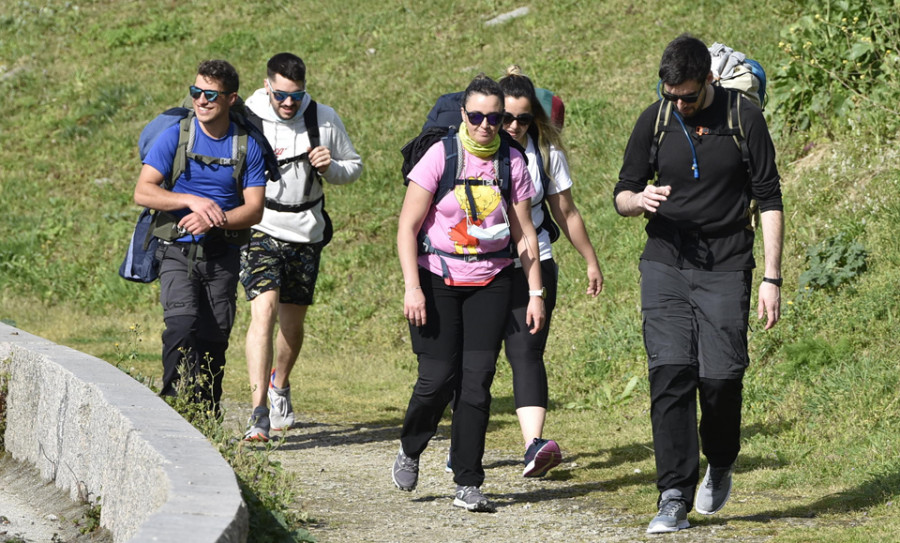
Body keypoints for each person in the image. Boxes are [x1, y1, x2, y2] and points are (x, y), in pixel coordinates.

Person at [613, 34, 783, 534]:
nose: (680, 104)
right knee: (670, 374)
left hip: (728, 263)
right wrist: (638, 200)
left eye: (688, 95)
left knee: (722, 380)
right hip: (665, 261)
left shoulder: (743, 119)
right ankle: (672, 495)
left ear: (709, 79)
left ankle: (723, 458)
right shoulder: (656, 118)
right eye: (673, 96)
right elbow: (622, 192)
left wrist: (771, 277)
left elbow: (769, 199)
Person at [392, 74, 545, 512]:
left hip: (491, 280)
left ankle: (468, 480)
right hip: (437, 277)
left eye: (493, 118)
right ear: (463, 114)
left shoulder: (511, 161)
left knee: (477, 382)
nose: (485, 125)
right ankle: (411, 446)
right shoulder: (441, 156)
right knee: (437, 378)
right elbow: (407, 226)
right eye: (476, 116)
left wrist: (535, 291)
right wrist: (412, 287)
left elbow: (524, 232)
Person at [240, 53, 363, 442]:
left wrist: (331, 168)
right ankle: (258, 412)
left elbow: (354, 167)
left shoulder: (323, 118)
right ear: (267, 86)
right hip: (260, 226)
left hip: (306, 230)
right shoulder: (249, 115)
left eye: (296, 96)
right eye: (281, 95)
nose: (288, 103)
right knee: (264, 311)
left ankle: (280, 385)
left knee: (292, 324)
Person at [134, 59, 267, 414]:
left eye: (211, 94)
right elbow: (143, 191)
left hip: (222, 254)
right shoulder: (176, 136)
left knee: (213, 341)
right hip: (176, 249)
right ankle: (172, 410)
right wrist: (189, 200)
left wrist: (215, 220)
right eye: (196, 92)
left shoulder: (246, 146)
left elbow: (254, 209)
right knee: (180, 326)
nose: (201, 100)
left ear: (231, 99)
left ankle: (206, 416)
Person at [498, 66, 603, 477]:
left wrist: (590, 259)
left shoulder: (545, 153)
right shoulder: (474, 149)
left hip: (536, 262)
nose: (514, 126)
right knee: (478, 357)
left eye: (524, 118)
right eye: (506, 117)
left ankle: (533, 446)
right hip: (482, 265)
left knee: (527, 351)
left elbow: (567, 211)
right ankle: (463, 446)